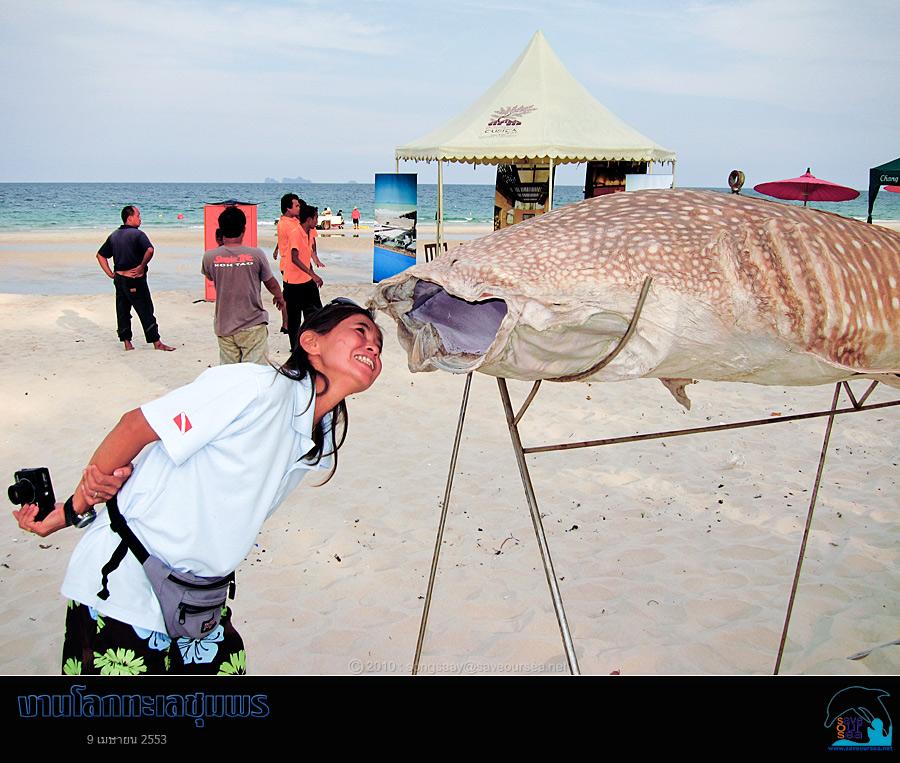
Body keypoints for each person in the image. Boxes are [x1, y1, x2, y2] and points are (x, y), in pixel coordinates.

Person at [13, 300, 383, 675]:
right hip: (125, 583)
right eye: (361, 331)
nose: (372, 346)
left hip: (200, 602)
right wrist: (71, 510)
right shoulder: (254, 387)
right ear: (310, 342)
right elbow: (137, 426)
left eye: (379, 345)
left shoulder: (317, 439)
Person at [201, 206, 286, 365]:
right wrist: (279, 297)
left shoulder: (209, 257)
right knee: (255, 373)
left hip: (224, 325)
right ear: (244, 229)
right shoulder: (256, 254)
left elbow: (210, 276)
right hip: (252, 323)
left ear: (221, 230)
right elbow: (270, 282)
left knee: (230, 374)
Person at [96, 205, 175, 352]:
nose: (140, 218)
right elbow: (150, 250)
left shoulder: (114, 235)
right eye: (138, 215)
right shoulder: (137, 234)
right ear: (129, 218)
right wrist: (141, 266)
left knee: (122, 310)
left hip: (119, 279)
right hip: (134, 279)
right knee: (145, 309)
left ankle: (127, 343)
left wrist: (110, 273)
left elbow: (100, 255)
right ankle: (157, 342)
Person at [280, 202, 323, 352]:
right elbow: (294, 257)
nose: (317, 221)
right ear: (309, 219)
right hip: (293, 283)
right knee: (294, 319)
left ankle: (311, 343)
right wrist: (313, 274)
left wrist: (314, 265)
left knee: (316, 312)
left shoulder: (309, 233)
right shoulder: (295, 233)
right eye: (316, 218)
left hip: (307, 281)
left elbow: (307, 255)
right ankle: (295, 349)